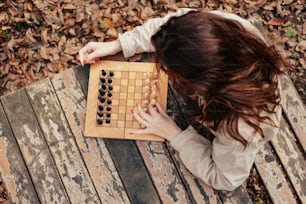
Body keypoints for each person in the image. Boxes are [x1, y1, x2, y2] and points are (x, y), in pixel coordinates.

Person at [79, 8, 287, 191]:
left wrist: (174, 133)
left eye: (170, 69)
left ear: (201, 83)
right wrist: (120, 44)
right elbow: (171, 28)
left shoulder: (241, 126)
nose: (164, 70)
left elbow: (225, 179)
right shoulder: (226, 29)